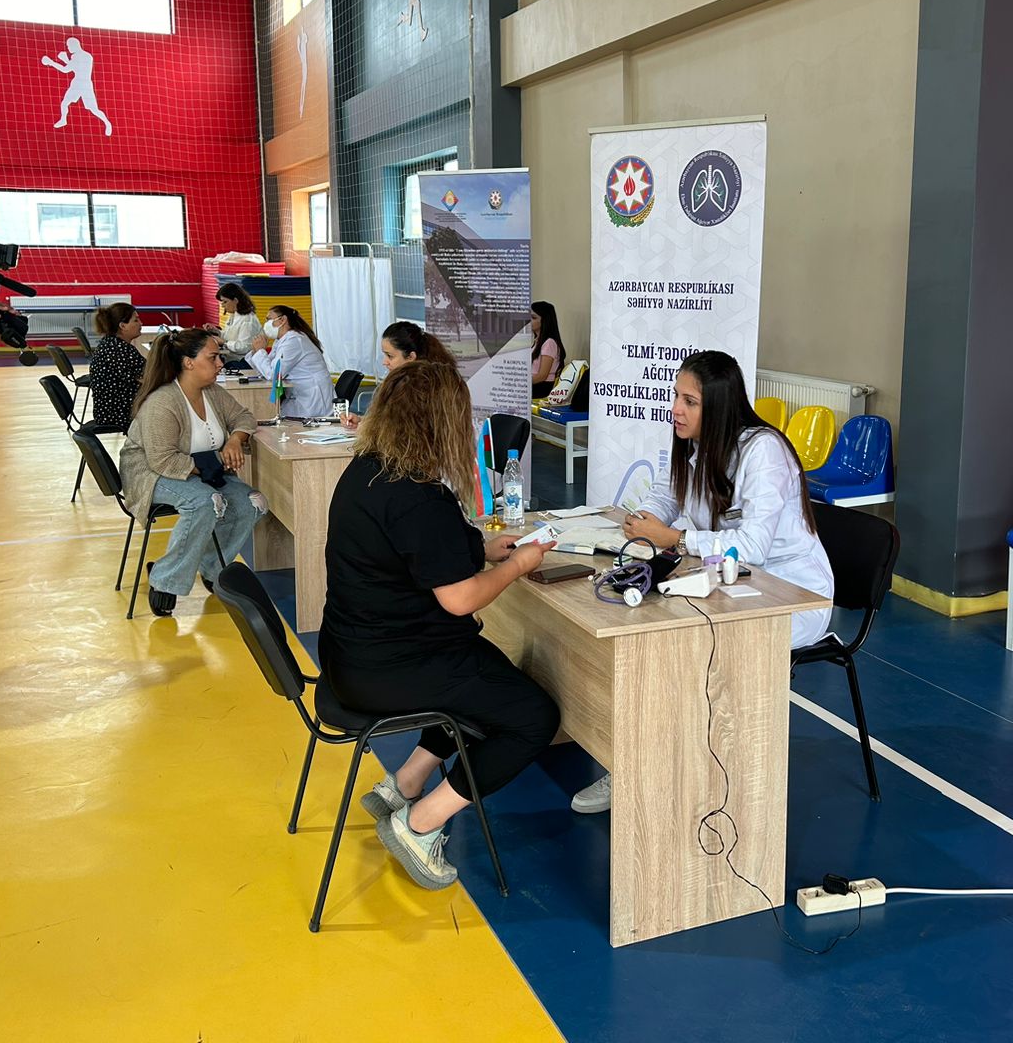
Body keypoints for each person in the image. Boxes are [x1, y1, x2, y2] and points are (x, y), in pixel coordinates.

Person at [319, 360, 560, 890]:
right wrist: (517, 565)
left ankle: (404, 781)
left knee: (488, 671)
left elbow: (414, 554)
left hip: (351, 654)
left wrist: (476, 546)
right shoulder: (418, 495)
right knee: (532, 717)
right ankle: (421, 822)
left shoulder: (370, 470)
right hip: (391, 667)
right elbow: (460, 599)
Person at [573, 349, 835, 814]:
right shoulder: (693, 442)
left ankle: (672, 771)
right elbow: (666, 495)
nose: (676, 408)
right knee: (650, 634)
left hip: (789, 594)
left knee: (685, 648)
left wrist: (672, 537)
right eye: (676, 396)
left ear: (717, 406)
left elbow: (751, 547)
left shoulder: (763, 453)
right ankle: (642, 763)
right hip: (725, 583)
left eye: (690, 401)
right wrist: (647, 520)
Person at [120, 329, 267, 617]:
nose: (220, 363)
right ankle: (164, 579)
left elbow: (244, 417)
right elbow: (162, 460)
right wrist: (214, 463)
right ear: (188, 362)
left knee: (254, 502)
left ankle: (214, 569)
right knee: (206, 502)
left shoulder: (212, 392)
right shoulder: (163, 402)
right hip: (152, 474)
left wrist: (236, 439)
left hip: (199, 472)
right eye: (213, 357)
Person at [341, 320, 457, 429]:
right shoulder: (402, 383)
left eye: (390, 356)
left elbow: (404, 432)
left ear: (411, 357)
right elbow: (389, 423)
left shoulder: (422, 390)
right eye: (384, 355)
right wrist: (362, 421)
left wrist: (368, 428)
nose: (384, 362)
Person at [244, 304, 333, 418]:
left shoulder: (294, 340)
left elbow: (273, 374)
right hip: (299, 396)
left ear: (283, 320)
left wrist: (260, 351)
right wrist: (256, 351)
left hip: (312, 400)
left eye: (269, 319)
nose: (266, 324)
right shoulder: (281, 340)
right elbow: (264, 371)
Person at [88, 302, 146, 431]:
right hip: (118, 414)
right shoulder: (120, 350)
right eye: (136, 320)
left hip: (107, 411)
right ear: (122, 326)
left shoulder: (110, 343)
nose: (140, 323)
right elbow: (150, 377)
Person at [207, 283, 261, 358]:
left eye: (225, 302)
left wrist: (224, 343)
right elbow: (230, 336)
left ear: (235, 300)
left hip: (243, 362)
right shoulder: (234, 315)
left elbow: (244, 347)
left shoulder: (247, 320)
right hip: (232, 358)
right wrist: (218, 332)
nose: (222, 305)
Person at [530, 300, 566, 398]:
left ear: (544, 320)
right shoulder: (537, 342)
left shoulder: (549, 343)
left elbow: (542, 375)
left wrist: (520, 384)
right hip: (533, 386)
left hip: (541, 388)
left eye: (533, 317)